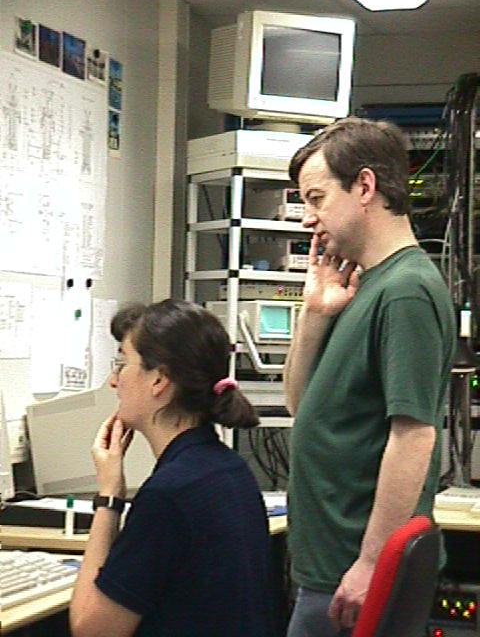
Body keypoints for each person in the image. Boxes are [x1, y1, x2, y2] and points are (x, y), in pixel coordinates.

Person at [284, 117, 456, 637]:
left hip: (355, 573)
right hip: (329, 567)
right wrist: (315, 314)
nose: (308, 219)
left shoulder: (405, 292)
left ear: (364, 186)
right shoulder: (367, 286)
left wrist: (371, 562)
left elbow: (414, 437)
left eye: (317, 199)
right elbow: (300, 406)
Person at [70, 299, 274, 637]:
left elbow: (93, 630)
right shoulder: (229, 469)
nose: (113, 381)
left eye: (123, 363)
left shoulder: (169, 495)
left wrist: (109, 498)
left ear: (159, 380)